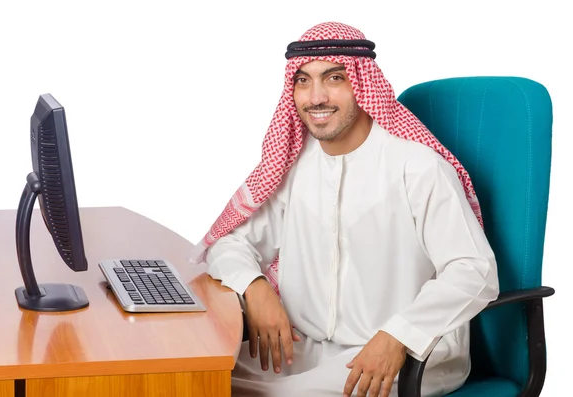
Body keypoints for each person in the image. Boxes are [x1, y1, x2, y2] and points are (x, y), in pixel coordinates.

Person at [188, 21, 500, 397]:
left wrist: (397, 335)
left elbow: (474, 270)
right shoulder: (296, 166)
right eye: (303, 81)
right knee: (195, 376)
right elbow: (232, 242)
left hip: (409, 355)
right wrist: (255, 289)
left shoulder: (417, 168)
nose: (315, 97)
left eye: (333, 78)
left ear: (361, 83)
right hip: (308, 347)